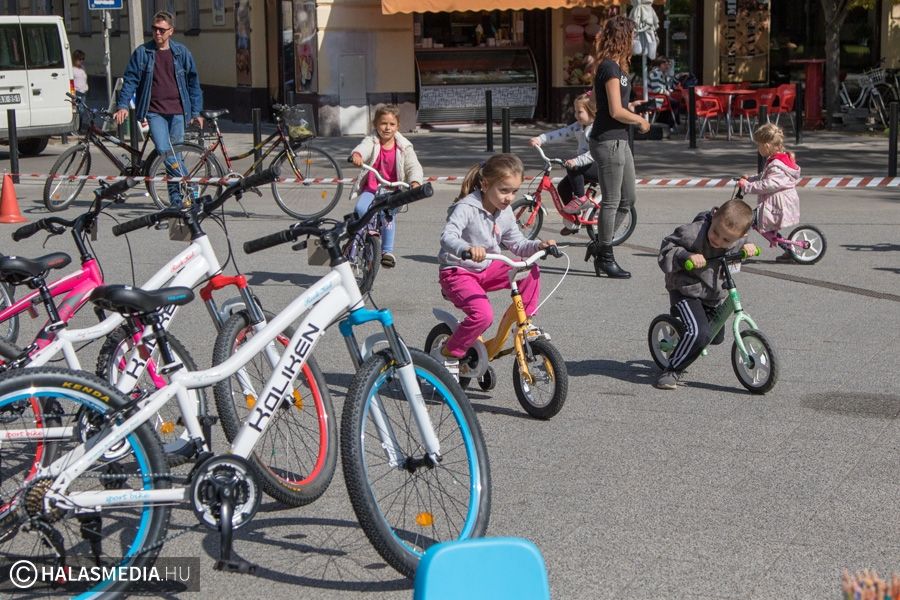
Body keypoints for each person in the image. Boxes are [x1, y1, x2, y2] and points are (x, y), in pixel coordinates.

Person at [432, 154, 557, 379]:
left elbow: (517, 244)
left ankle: (523, 321)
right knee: (482, 315)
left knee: (529, 269)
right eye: (504, 190)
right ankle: (448, 352)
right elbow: (447, 236)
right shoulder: (466, 207)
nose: (510, 198)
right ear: (485, 184)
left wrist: (539, 245)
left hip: (486, 268)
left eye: (514, 192)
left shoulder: (505, 212)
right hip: (458, 271)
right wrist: (466, 248)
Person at [654, 199, 758, 389]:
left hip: (712, 292)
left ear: (741, 235)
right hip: (685, 289)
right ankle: (672, 370)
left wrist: (747, 248)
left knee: (715, 337)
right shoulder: (693, 232)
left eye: (726, 240)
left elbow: (740, 249)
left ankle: (687, 338)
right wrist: (686, 256)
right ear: (714, 215)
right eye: (715, 232)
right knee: (699, 333)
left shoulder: (739, 238)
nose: (718, 240)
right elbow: (666, 250)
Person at [113, 11, 204, 208]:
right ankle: (189, 184)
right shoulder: (143, 53)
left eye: (162, 30)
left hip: (178, 112)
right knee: (165, 151)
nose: (157, 33)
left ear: (171, 31)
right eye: (154, 29)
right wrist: (122, 105)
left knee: (175, 155)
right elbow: (130, 80)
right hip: (154, 112)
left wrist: (196, 112)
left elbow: (193, 83)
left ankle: (176, 202)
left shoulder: (181, 53)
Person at [588, 16, 651, 279]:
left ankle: (602, 243)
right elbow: (614, 110)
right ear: (623, 38)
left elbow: (607, 105)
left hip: (619, 139)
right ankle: (605, 255)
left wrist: (632, 110)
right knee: (612, 200)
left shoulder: (617, 69)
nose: (635, 40)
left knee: (628, 199)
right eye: (632, 35)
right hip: (608, 140)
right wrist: (638, 120)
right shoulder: (609, 68)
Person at [350, 104, 424, 269]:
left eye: (392, 124)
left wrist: (415, 181)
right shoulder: (372, 140)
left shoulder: (404, 146)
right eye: (383, 123)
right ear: (375, 124)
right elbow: (364, 147)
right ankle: (368, 232)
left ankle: (387, 252)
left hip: (393, 189)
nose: (387, 128)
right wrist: (358, 155)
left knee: (388, 217)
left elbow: (413, 166)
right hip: (372, 187)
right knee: (362, 209)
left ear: (398, 126)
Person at [529, 92, 599, 236]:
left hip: (599, 167)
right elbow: (562, 133)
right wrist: (540, 139)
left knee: (572, 166)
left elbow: (594, 153)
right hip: (584, 165)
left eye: (579, 112)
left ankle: (581, 199)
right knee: (563, 187)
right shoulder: (579, 126)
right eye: (575, 111)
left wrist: (575, 161)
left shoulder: (596, 129)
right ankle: (574, 220)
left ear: (592, 111)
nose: (576, 115)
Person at [739, 123, 801, 262]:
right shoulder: (777, 160)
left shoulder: (776, 165)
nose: (758, 148)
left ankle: (739, 248)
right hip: (776, 201)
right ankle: (789, 249)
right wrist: (751, 179)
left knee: (748, 220)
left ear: (766, 146)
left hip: (779, 203)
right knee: (755, 222)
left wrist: (747, 187)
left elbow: (769, 184)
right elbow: (764, 177)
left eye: (758, 145)